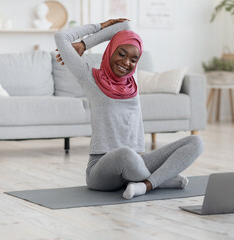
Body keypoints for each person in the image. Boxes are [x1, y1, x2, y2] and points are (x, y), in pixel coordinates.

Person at [54, 19, 203, 199]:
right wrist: (90, 38)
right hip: (102, 169)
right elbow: (61, 37)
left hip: (136, 162)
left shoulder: (133, 81)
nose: (126, 62)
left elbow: (127, 29)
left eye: (133, 59)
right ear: (110, 51)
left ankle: (146, 184)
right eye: (122, 54)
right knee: (126, 153)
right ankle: (160, 181)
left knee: (195, 142)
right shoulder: (89, 77)